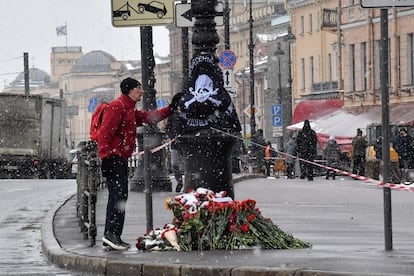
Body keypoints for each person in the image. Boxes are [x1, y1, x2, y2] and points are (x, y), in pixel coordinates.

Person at [98, 77, 178, 251]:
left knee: (119, 197)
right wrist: (106, 157)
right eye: (138, 88)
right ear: (129, 90)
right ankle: (111, 235)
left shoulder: (128, 109)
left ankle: (112, 236)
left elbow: (149, 118)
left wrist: (170, 110)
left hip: (119, 157)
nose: (141, 91)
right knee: (118, 197)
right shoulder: (117, 106)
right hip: (114, 158)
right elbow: (105, 133)